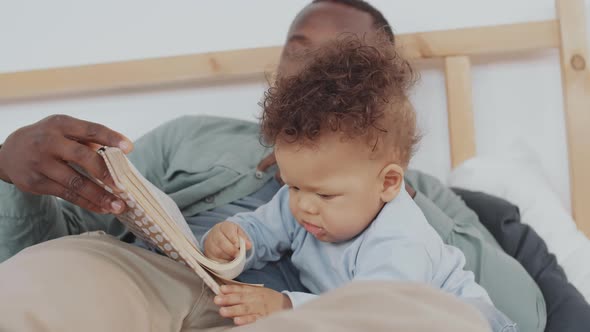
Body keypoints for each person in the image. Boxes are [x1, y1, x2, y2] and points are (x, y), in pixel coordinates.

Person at [0, 0, 546, 331]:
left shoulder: (410, 213)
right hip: (171, 285)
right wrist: (233, 237)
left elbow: (520, 309)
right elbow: (269, 224)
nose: (314, 71)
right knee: (62, 265)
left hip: (306, 314)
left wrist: (284, 302)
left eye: (341, 60)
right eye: (300, 48)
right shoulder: (196, 139)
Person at [202, 36, 512, 330]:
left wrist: (286, 306)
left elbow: (372, 319)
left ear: (388, 183)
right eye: (293, 185)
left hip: (466, 321)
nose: (303, 205)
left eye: (326, 194)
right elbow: (259, 232)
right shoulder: (300, 204)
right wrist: (231, 242)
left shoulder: (400, 241)